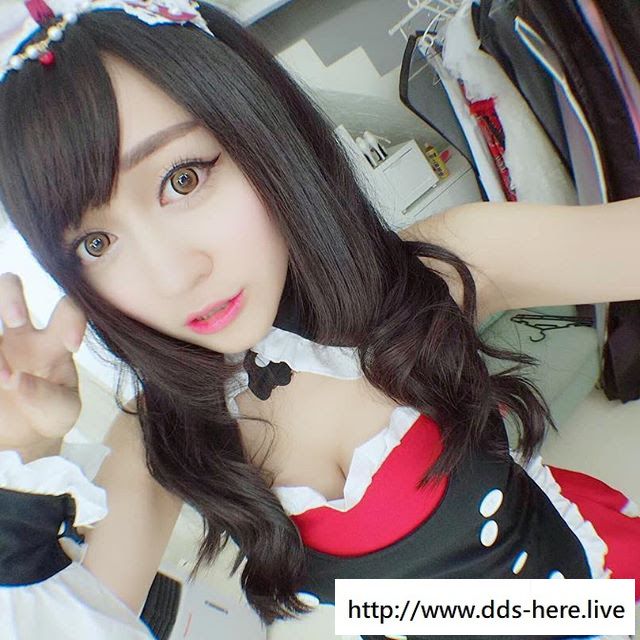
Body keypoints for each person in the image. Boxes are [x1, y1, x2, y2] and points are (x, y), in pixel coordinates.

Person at [0, 1, 638, 639]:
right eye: (96, 244)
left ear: (260, 132)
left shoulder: (429, 271)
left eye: (184, 179)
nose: (172, 277)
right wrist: (23, 463)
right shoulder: (163, 434)